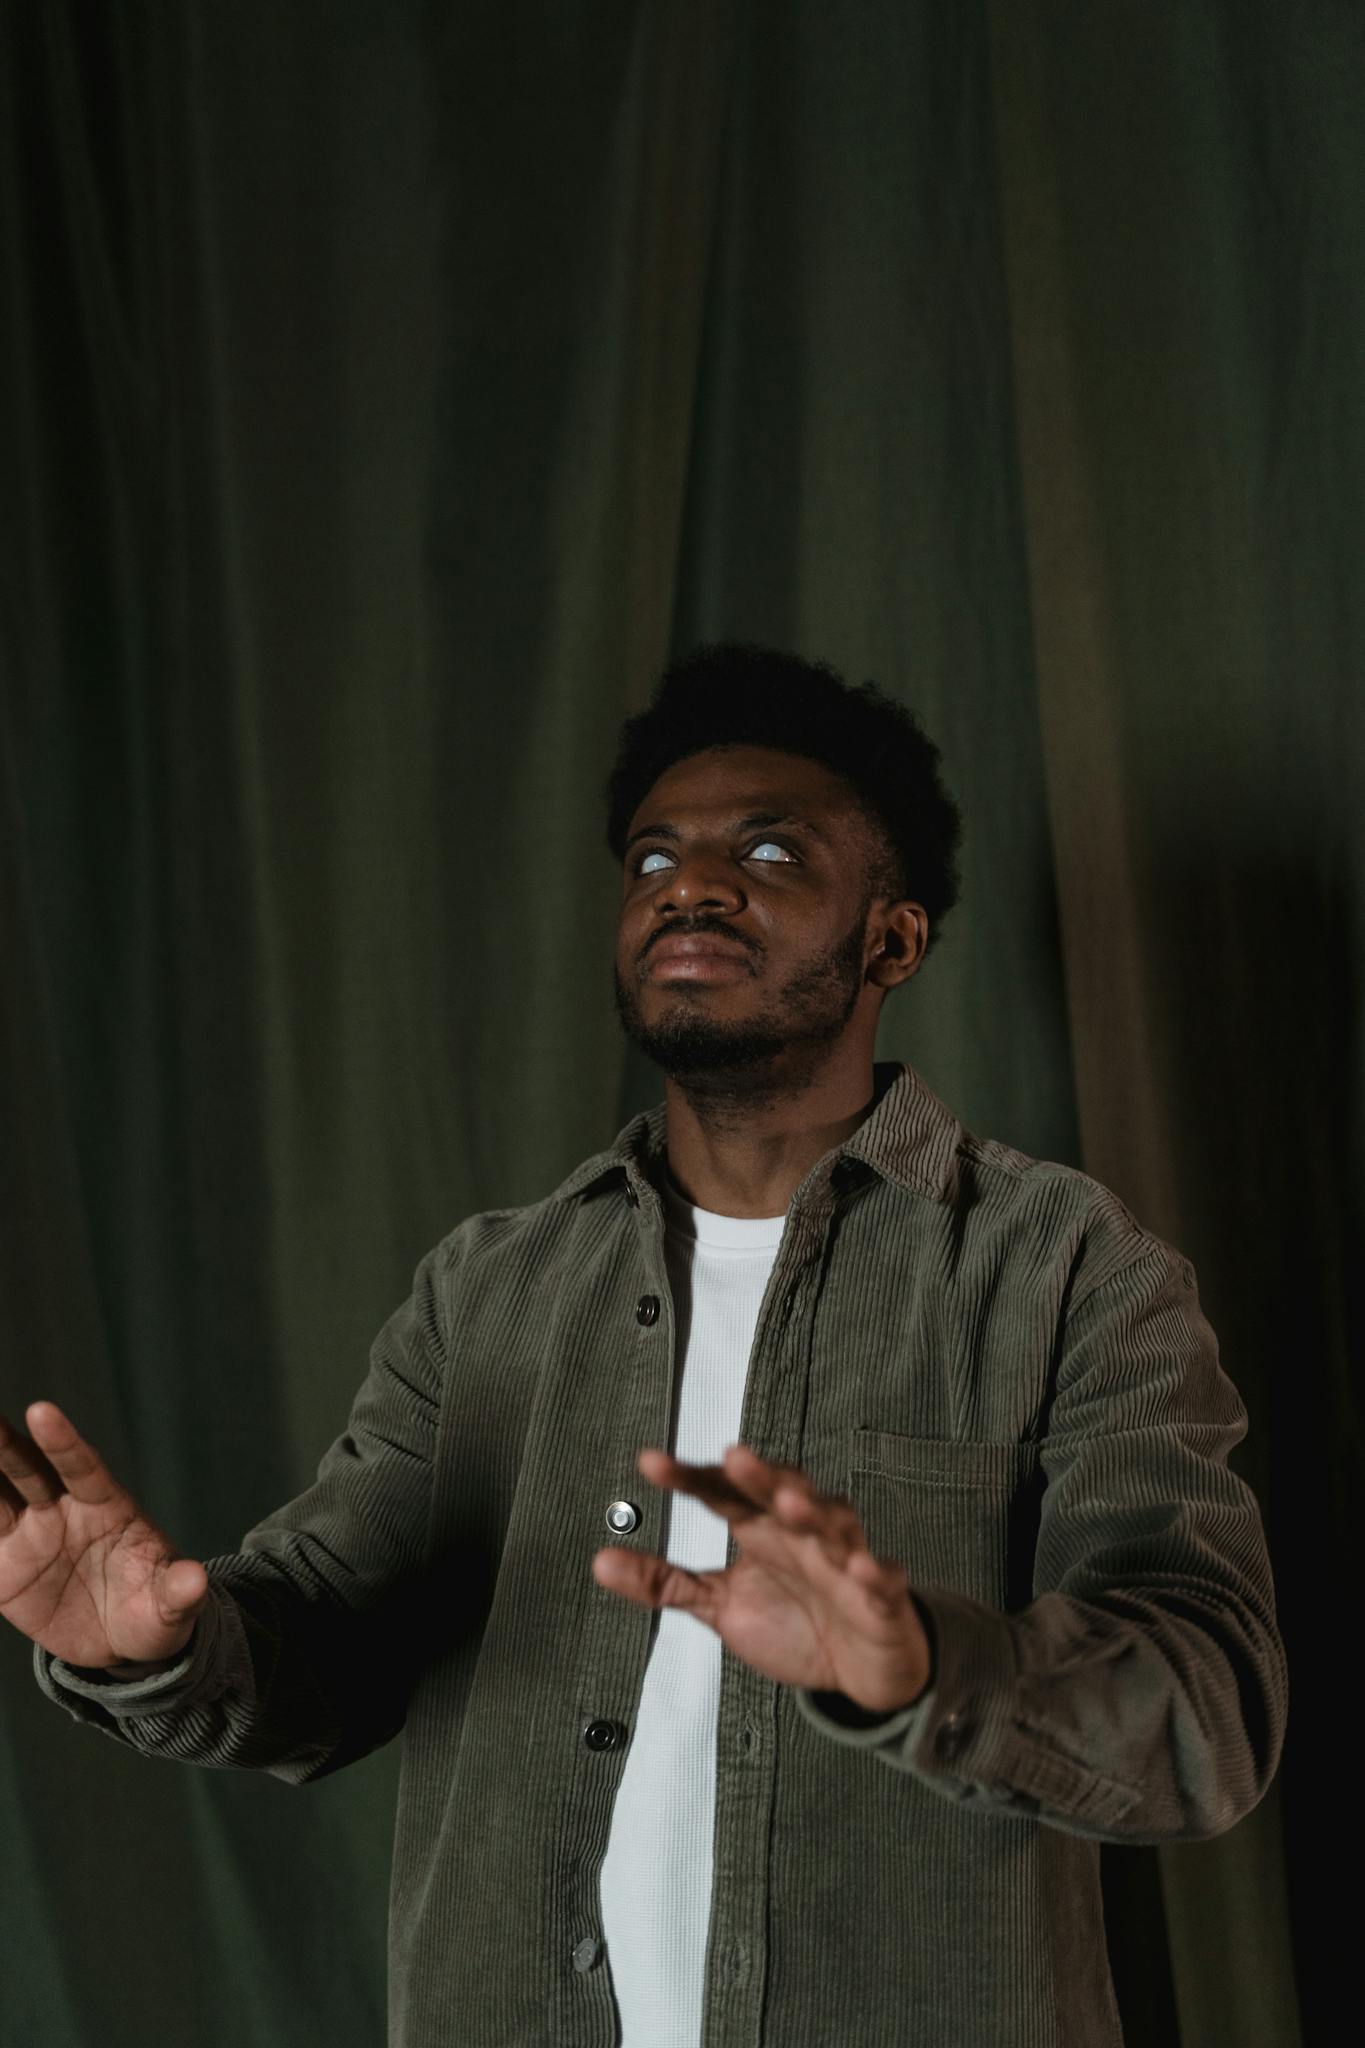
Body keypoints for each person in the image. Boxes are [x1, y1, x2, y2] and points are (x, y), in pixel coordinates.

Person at [0, 642, 1287, 2048]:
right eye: (653, 858)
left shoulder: (1069, 1270)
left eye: (772, 852)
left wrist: (921, 1664)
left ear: (892, 941)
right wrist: (151, 1656)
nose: (692, 885)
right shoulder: (487, 1287)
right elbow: (322, 1661)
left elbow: (1201, 1718)